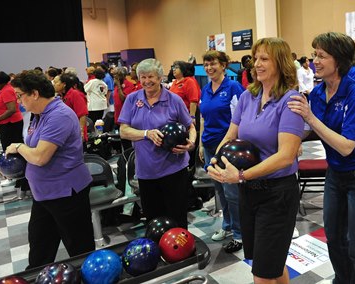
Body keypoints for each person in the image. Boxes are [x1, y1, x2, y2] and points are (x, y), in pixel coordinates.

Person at [288, 31, 355, 284]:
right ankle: (343, 280)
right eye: (314, 55)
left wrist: (309, 118)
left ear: (339, 60)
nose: (314, 61)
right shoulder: (318, 93)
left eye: (322, 56)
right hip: (336, 175)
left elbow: (346, 147)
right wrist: (294, 136)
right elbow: (311, 129)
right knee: (334, 237)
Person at [207, 38, 304, 283]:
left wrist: (240, 175)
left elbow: (286, 156)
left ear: (280, 63)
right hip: (249, 193)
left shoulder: (290, 101)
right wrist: (216, 162)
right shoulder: (248, 98)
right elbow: (230, 135)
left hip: (278, 194)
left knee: (261, 275)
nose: (256, 64)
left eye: (264, 59)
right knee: (271, 264)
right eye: (255, 58)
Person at [9, 70, 94, 269]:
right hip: (44, 194)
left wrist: (19, 148)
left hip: (66, 194)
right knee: (39, 250)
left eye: (20, 95)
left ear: (35, 93)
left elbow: (39, 157)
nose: (19, 101)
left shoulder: (59, 115)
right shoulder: (39, 115)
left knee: (80, 251)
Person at [119, 58, 196, 229]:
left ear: (160, 77)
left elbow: (190, 126)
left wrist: (191, 143)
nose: (147, 81)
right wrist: (146, 134)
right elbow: (123, 131)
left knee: (177, 219)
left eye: (151, 77)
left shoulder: (174, 100)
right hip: (146, 172)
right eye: (143, 77)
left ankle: (182, 253)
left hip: (174, 170)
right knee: (154, 221)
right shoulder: (132, 100)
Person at [199, 50, 245, 253]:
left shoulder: (233, 86)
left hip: (227, 148)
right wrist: (201, 143)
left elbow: (241, 118)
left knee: (231, 192)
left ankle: (239, 233)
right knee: (219, 190)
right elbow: (202, 118)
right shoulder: (206, 89)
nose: (209, 68)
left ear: (224, 65)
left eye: (213, 64)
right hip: (209, 146)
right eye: (206, 64)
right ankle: (227, 226)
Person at [0, 71, 24, 187]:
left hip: (11, 124)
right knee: (7, 149)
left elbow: (11, 109)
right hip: (6, 124)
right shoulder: (3, 90)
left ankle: (17, 176)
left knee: (12, 150)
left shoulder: (7, 90)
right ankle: (11, 175)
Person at [54, 73, 89, 142]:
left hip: (76, 133)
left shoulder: (75, 94)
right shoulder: (61, 96)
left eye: (56, 82)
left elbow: (82, 114)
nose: (54, 84)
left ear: (64, 84)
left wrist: (81, 131)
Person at [113, 66, 135, 150]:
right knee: (122, 141)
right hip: (118, 115)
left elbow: (124, 99)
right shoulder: (116, 86)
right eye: (114, 75)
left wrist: (118, 85)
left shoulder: (129, 85)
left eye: (116, 75)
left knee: (127, 144)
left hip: (126, 117)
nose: (114, 77)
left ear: (122, 75)